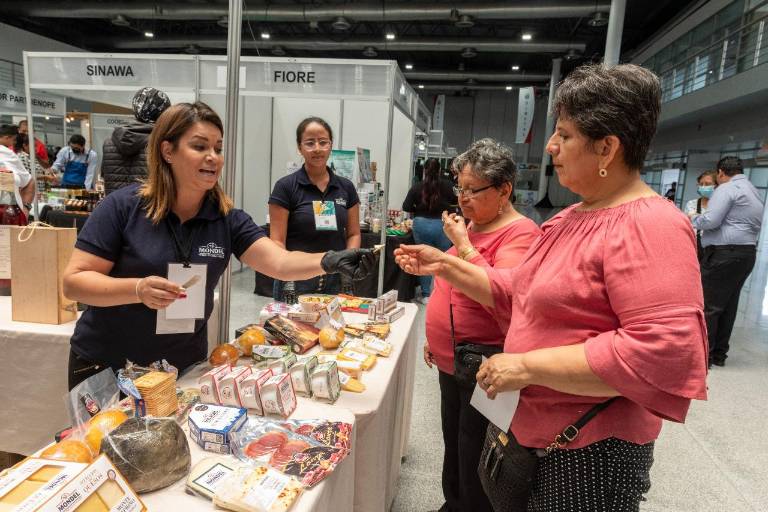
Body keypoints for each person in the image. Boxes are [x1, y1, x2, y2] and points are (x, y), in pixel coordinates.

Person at [395, 64, 708, 510]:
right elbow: (515, 292)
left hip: (588, 449)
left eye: (564, 134)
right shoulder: (568, 219)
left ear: (607, 148)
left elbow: (665, 349)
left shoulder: (651, 225)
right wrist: (445, 265)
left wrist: (528, 368)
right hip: (537, 433)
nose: (551, 146)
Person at [63, 103, 375, 390]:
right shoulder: (123, 207)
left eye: (218, 148)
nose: (213, 156)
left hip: (181, 367)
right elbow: (74, 283)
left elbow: (278, 262)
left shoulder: (226, 219)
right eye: (200, 147)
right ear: (167, 151)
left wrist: (331, 259)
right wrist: (137, 289)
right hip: (110, 365)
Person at [424, 139, 540, 512]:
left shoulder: (520, 234)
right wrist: (436, 336)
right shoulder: (474, 224)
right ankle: (453, 502)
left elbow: (502, 295)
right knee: (453, 441)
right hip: (451, 355)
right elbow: (450, 285)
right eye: (460, 188)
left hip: (484, 360)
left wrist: (462, 243)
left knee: (477, 448)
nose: (462, 198)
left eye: (473, 190)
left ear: (504, 189)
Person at [268, 117, 361, 301]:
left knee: (333, 329)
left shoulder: (346, 187)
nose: (317, 148)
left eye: (323, 142)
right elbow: (277, 241)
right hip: (296, 278)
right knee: (292, 329)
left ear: (330, 145)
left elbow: (353, 233)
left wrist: (348, 262)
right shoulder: (286, 187)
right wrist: (287, 274)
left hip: (336, 279)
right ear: (299, 147)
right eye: (310, 143)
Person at [691, 156, 763, 368]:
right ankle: (719, 354)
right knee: (728, 306)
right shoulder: (752, 189)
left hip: (723, 255)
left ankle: (705, 356)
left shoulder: (726, 188)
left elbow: (710, 220)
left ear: (721, 172)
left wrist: (693, 218)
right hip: (746, 254)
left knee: (710, 306)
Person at [402, 158, 457, 302]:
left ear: (424, 170)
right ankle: (440, 293)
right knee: (442, 259)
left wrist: (418, 210)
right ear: (440, 170)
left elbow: (406, 206)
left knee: (424, 259)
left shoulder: (416, 187)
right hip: (442, 225)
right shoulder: (449, 186)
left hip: (421, 225)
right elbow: (457, 203)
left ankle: (426, 294)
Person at [102, 87, 171, 195]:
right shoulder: (160, 144)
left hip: (115, 208)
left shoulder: (109, 143)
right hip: (148, 207)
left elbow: (104, 176)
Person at [0, 125, 34, 224]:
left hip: (9, 218)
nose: (14, 143)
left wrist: (26, 207)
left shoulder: (7, 154)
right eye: (13, 140)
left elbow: (29, 182)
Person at [684, 170, 717, 259]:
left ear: (716, 186)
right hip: (693, 248)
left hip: (714, 251)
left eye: (707, 184)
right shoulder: (691, 204)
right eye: (701, 184)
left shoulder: (719, 205)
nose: (703, 187)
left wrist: (695, 217)